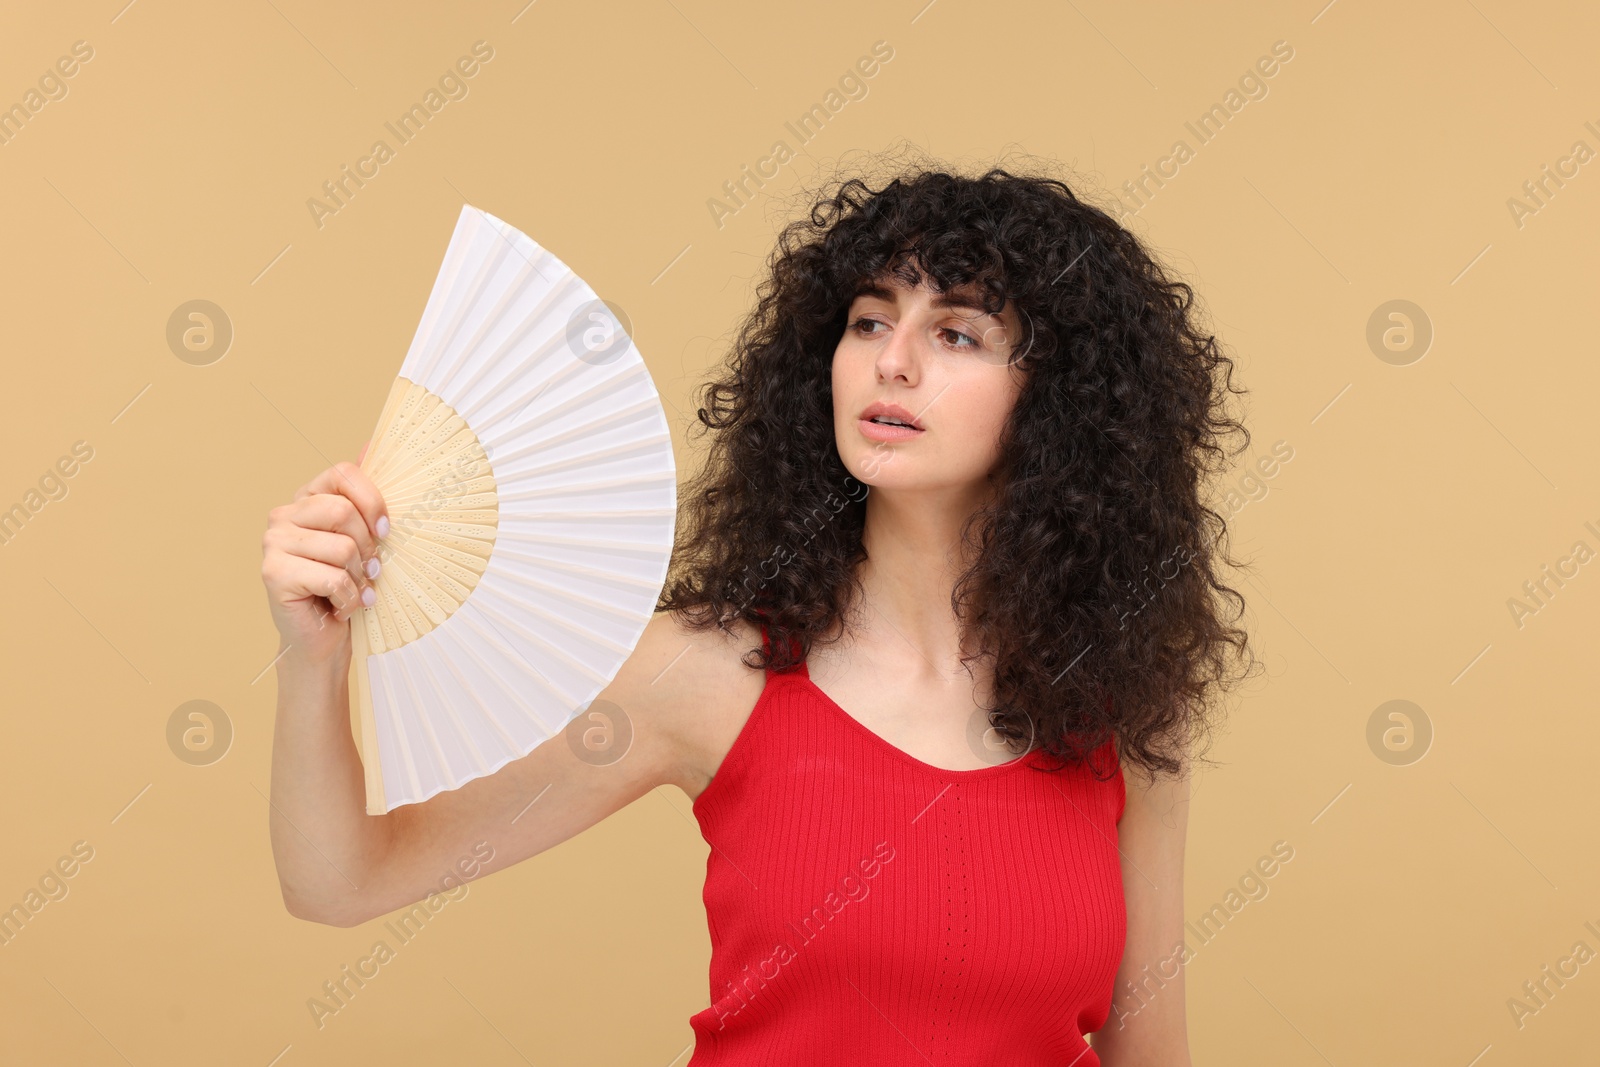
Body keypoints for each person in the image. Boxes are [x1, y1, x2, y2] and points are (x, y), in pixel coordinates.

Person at [261, 156, 1254, 1065]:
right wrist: (314, 659)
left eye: (955, 332)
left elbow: (1147, 1052)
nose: (892, 360)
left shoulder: (1122, 710)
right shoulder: (700, 674)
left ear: (1062, 402)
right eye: (869, 319)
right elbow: (341, 880)